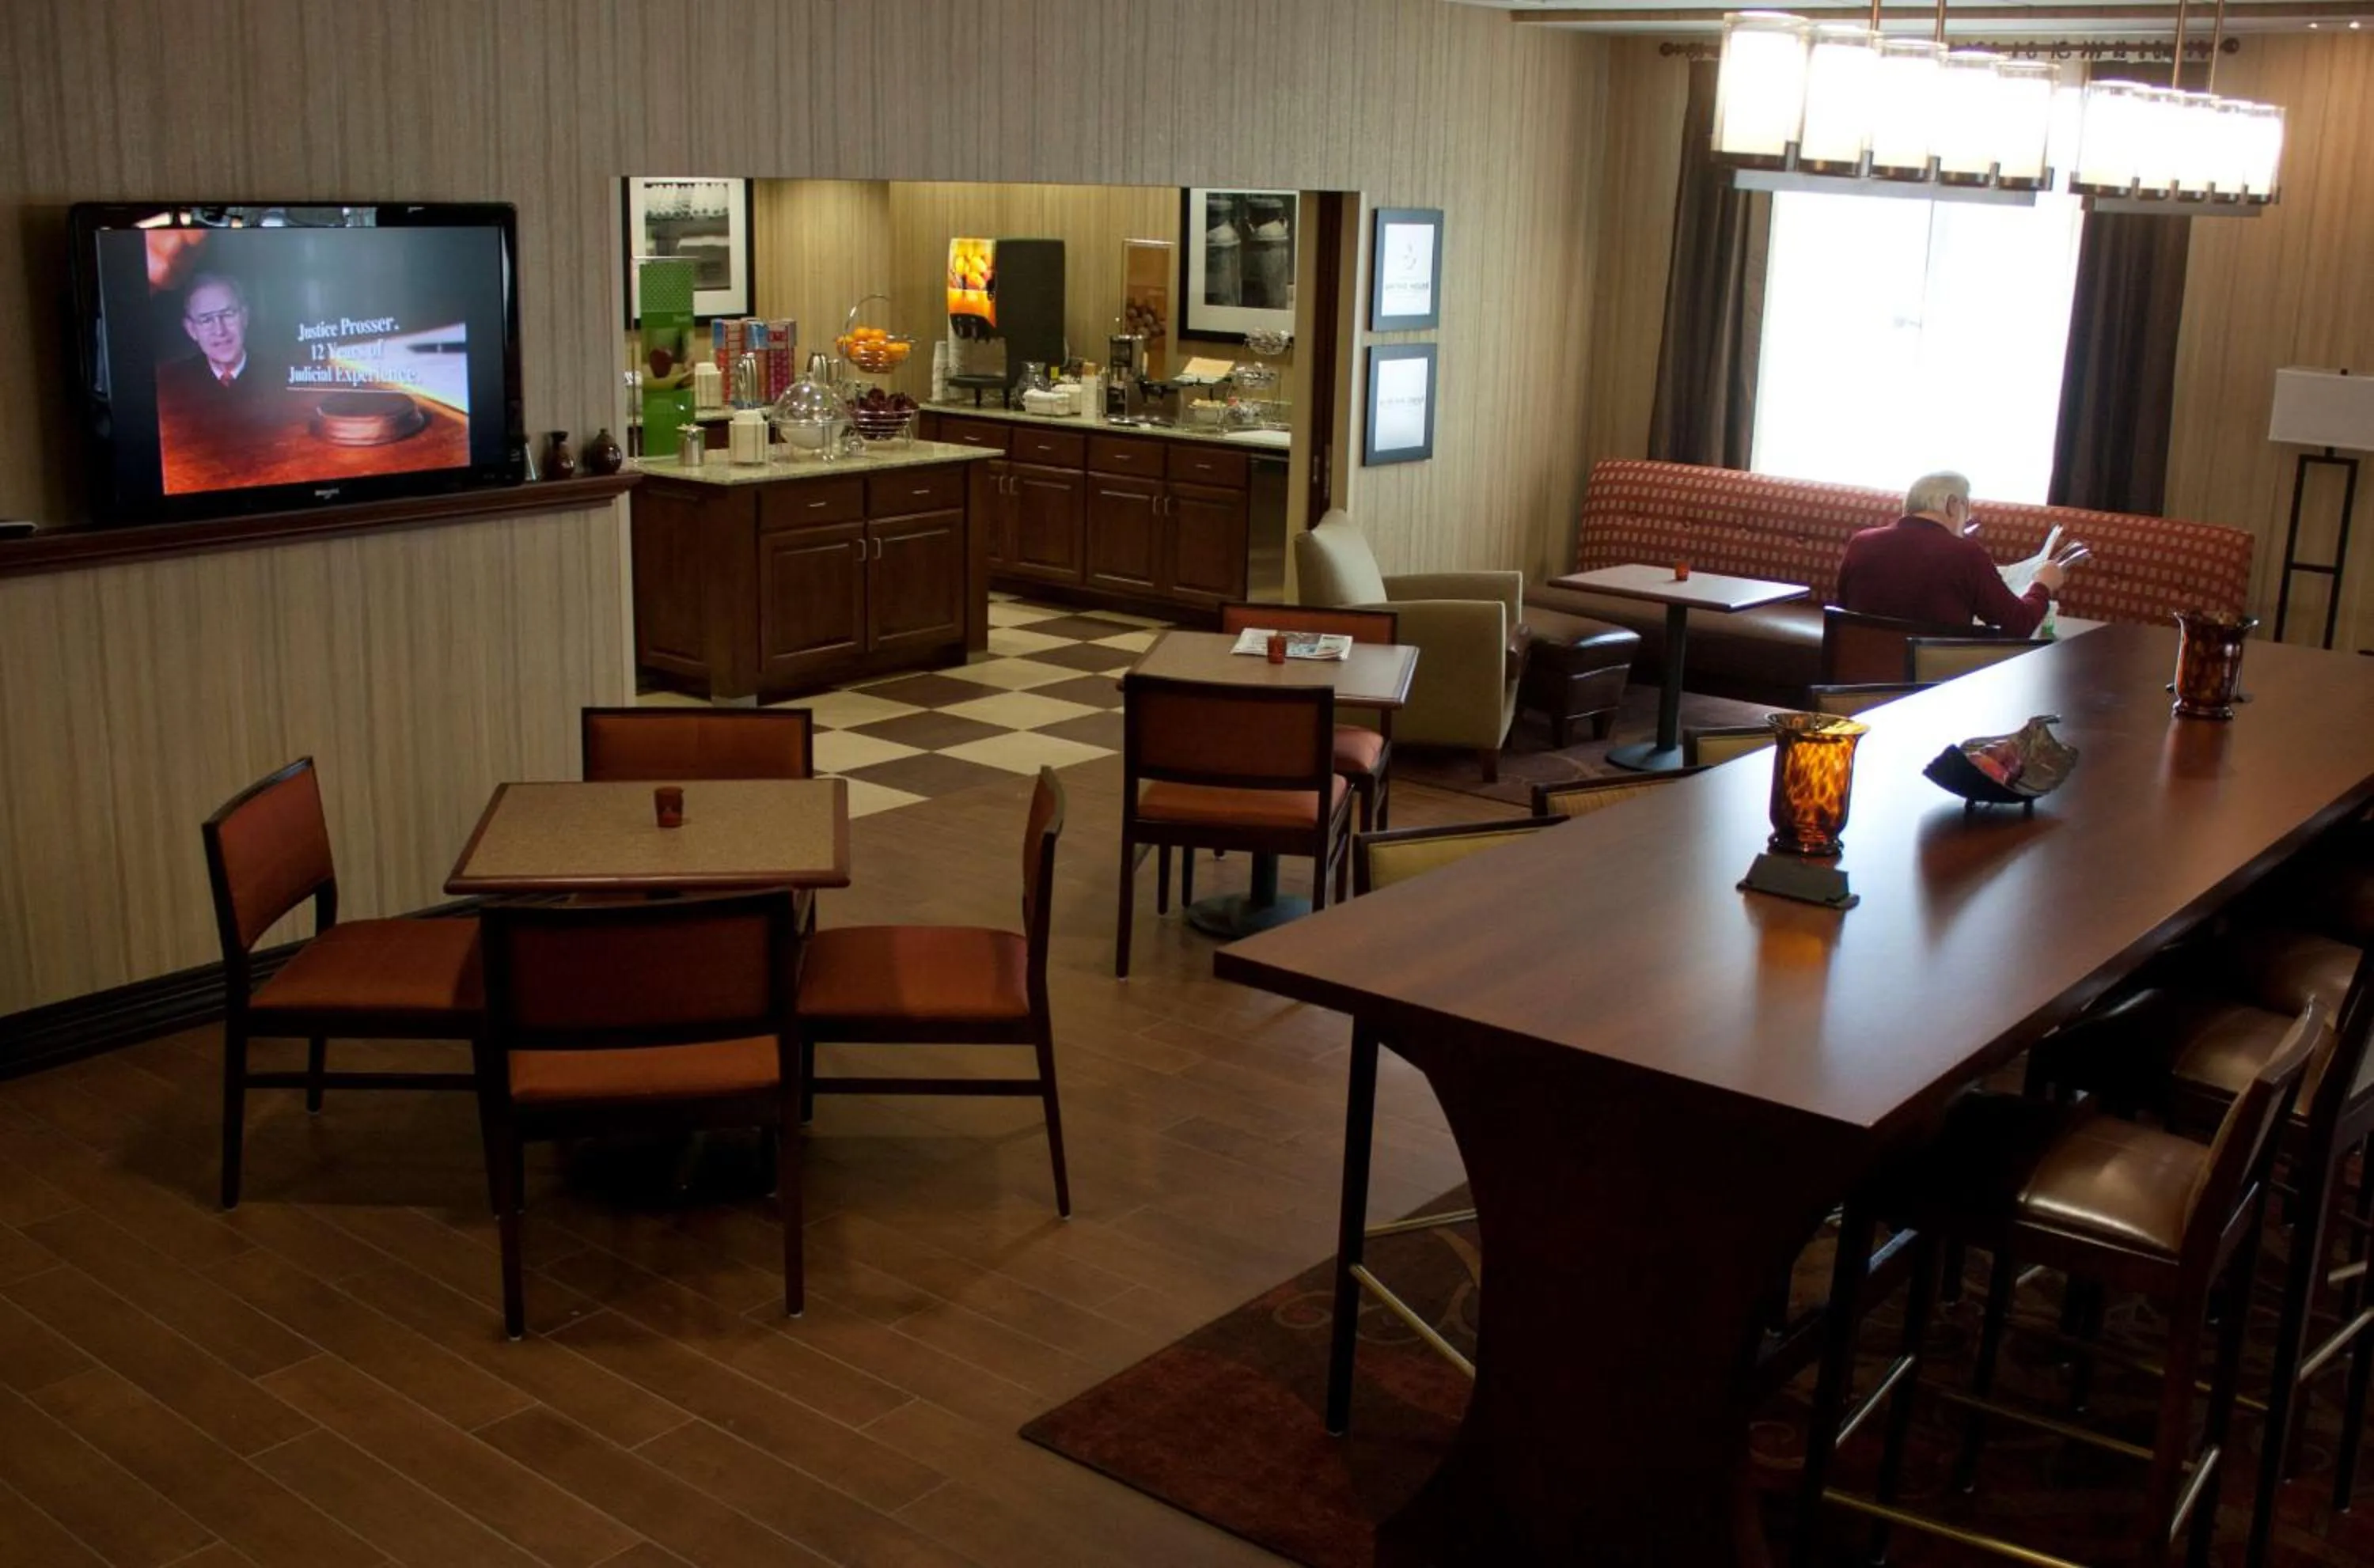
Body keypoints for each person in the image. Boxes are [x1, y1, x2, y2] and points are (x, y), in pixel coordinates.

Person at [1837, 472, 2076, 638]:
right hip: (1935, 683)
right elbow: (2018, 626)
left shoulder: (1861, 542)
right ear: (1953, 505)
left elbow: (1845, 610)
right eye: (1966, 507)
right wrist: (2043, 585)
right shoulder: (1965, 554)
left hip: (1860, 678)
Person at [155, 272, 279, 409]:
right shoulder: (168, 384)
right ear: (191, 329)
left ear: (244, 317)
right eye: (206, 320)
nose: (220, 330)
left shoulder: (278, 373)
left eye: (227, 315)